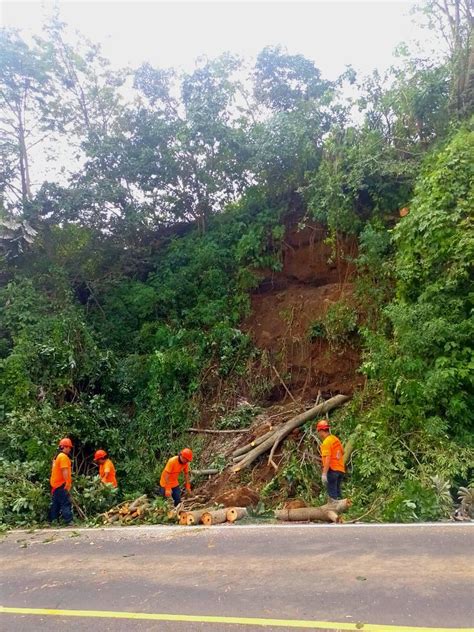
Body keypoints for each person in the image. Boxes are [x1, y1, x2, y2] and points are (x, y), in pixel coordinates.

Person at [316, 419, 345, 500]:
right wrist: (336, 457)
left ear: (321, 431)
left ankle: (334, 511)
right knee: (338, 493)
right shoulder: (335, 439)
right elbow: (342, 452)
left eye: (318, 431)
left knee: (333, 497)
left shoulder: (326, 443)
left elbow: (328, 459)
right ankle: (342, 510)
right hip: (340, 470)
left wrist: (324, 474)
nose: (318, 433)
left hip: (332, 471)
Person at [48, 437, 74, 525]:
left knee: (56, 504)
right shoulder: (63, 457)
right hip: (61, 484)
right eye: (69, 447)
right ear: (65, 447)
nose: (70, 449)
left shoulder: (56, 457)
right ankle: (69, 520)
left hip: (55, 484)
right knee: (65, 502)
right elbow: (64, 470)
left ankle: (53, 520)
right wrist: (68, 482)